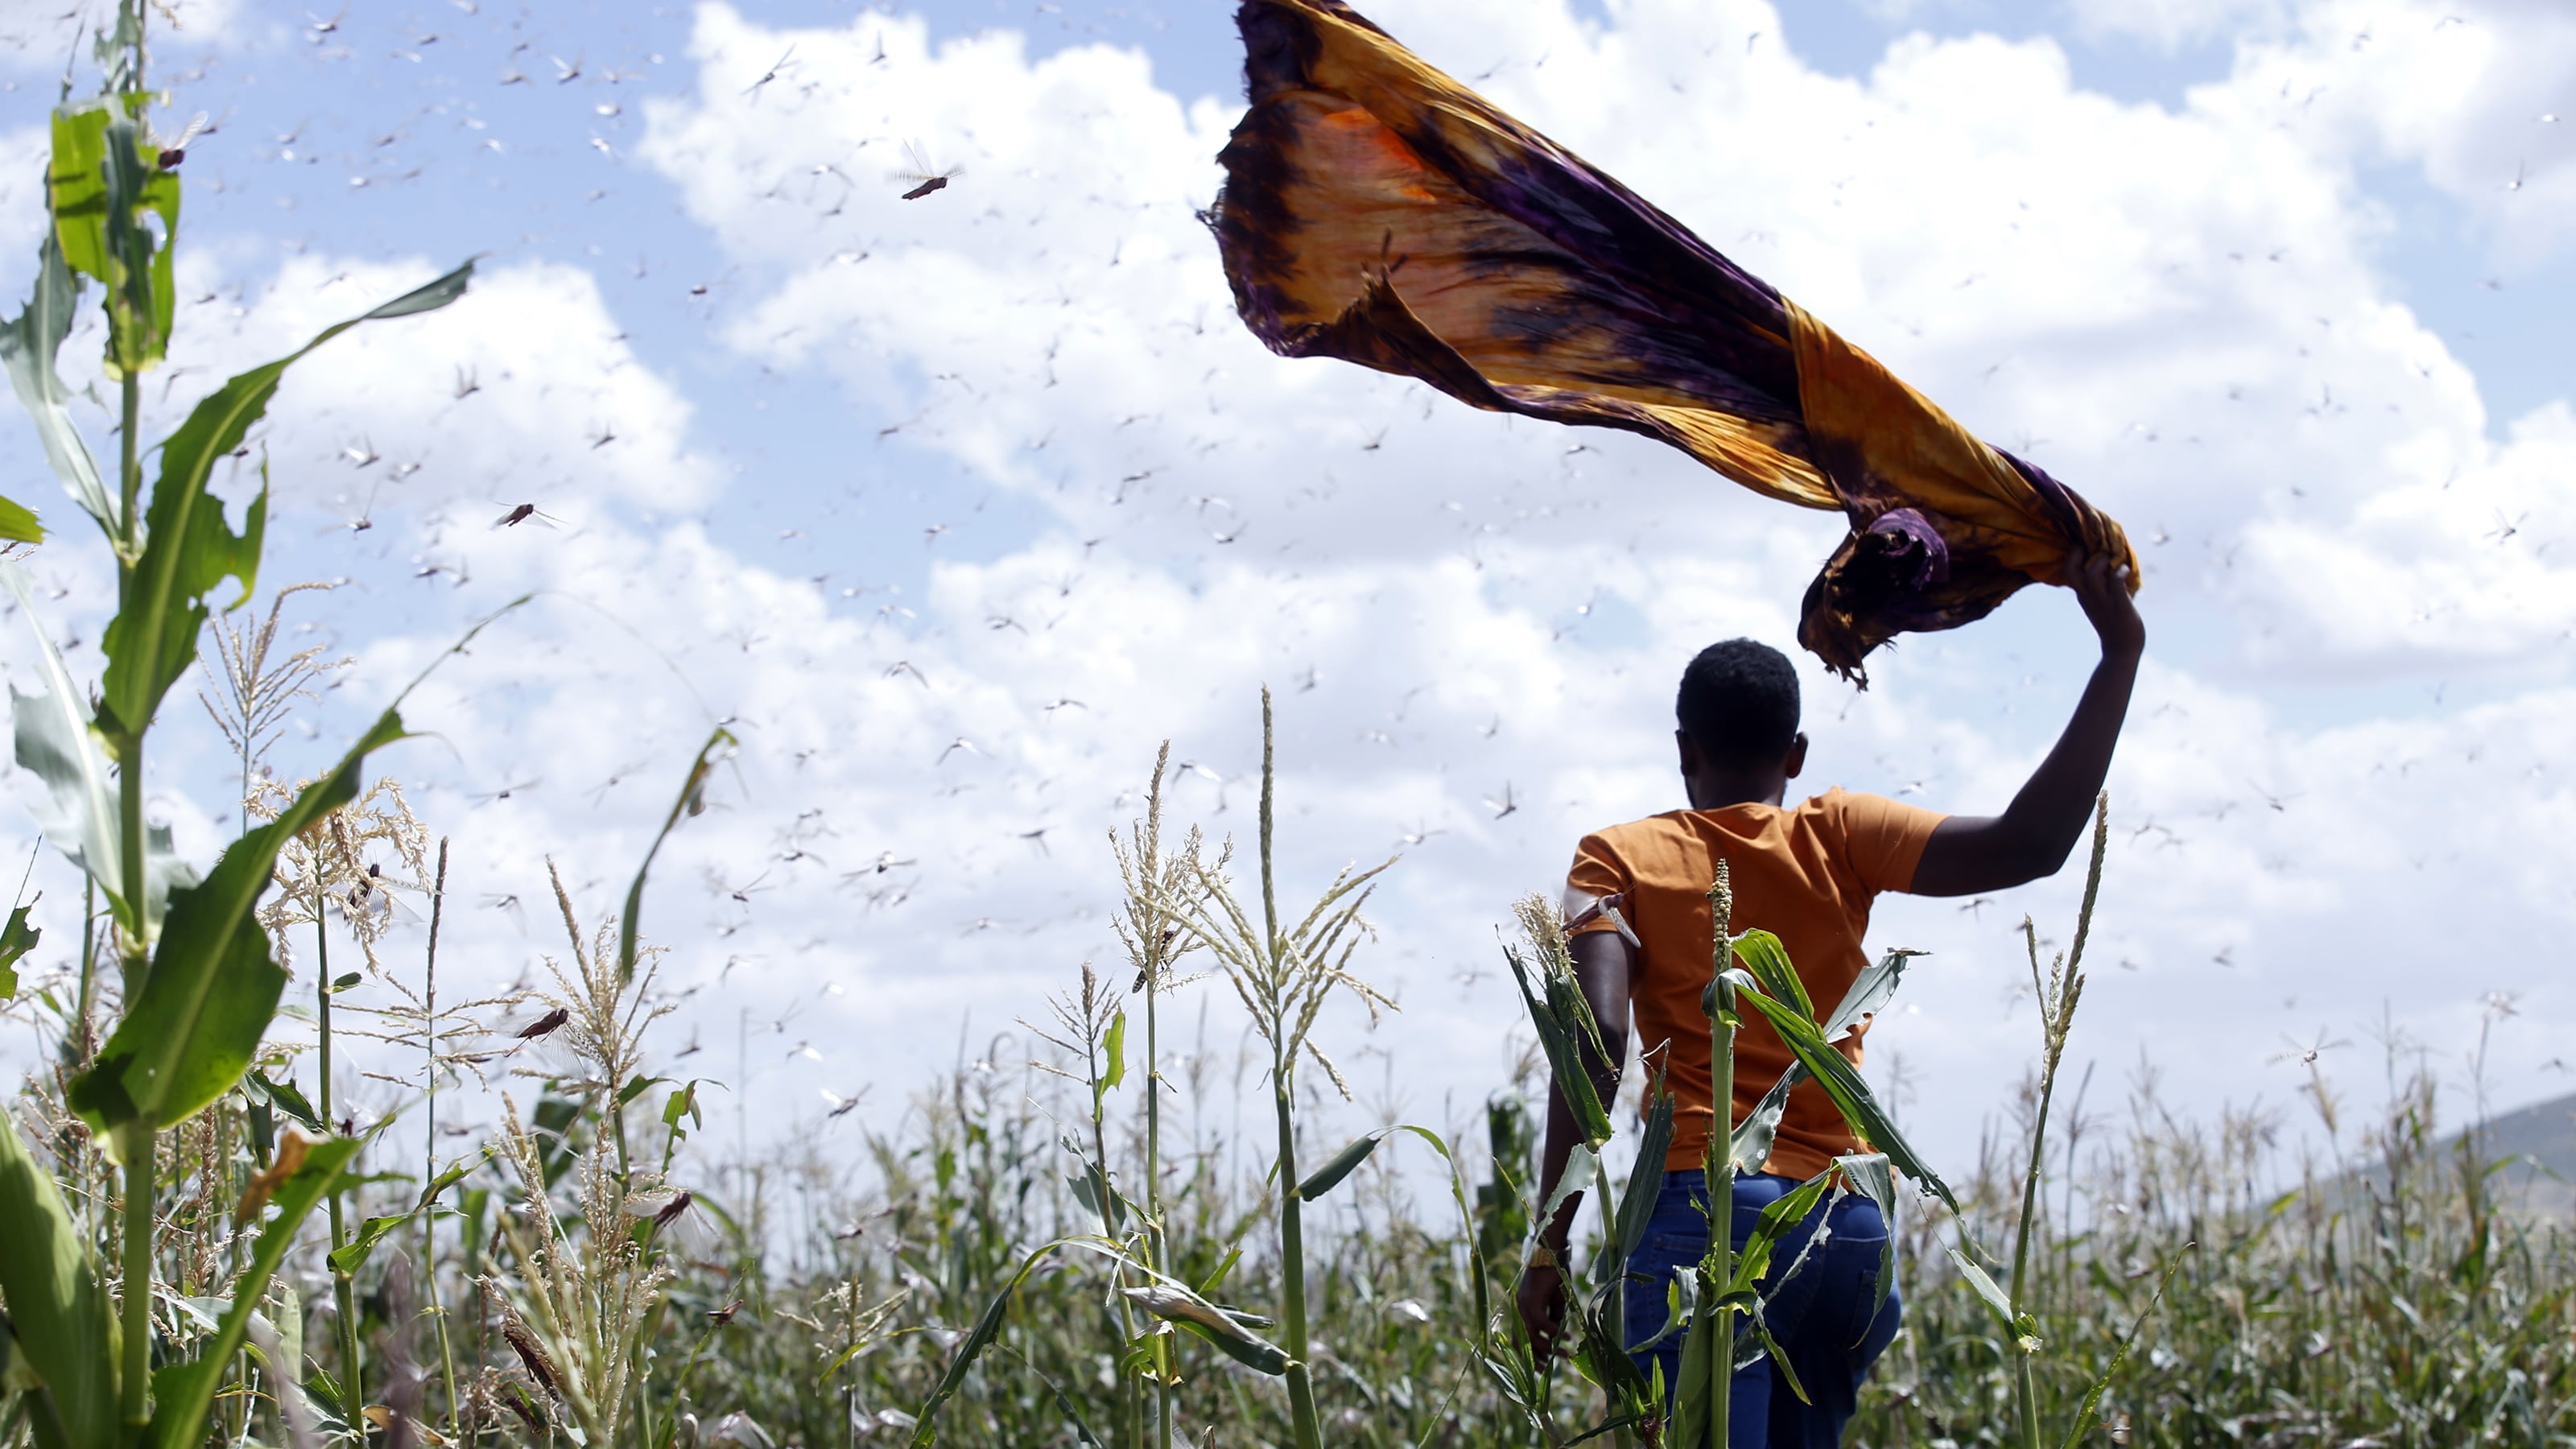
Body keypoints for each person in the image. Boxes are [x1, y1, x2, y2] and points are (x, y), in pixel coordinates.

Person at [1513, 551, 2145, 1447]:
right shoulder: (1838, 833)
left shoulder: (1613, 858)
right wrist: (2117, 653)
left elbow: (1598, 1035)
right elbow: (2029, 843)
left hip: (1705, 1221)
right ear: (1795, 755)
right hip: (1842, 1225)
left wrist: (1548, 1241)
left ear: (1683, 751)